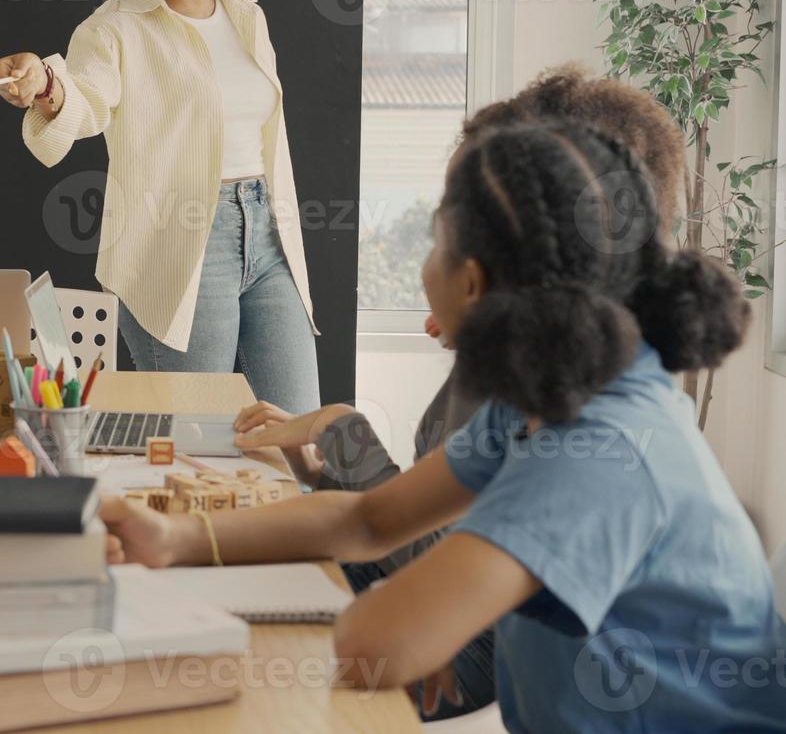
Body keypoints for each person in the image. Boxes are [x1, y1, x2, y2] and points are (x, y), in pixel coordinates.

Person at [101, 120, 786, 731]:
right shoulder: (548, 396)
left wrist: (418, 622)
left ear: (474, 283)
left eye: (433, 242)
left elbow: (374, 643)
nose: (424, 267)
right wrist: (176, 536)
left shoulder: (600, 450)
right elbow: (370, 519)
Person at [229, 64, 688, 716]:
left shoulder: (592, 437)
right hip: (495, 655)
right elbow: (375, 521)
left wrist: (340, 433)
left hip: (477, 651)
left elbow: (394, 605)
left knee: (278, 683)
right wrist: (187, 541)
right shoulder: (542, 382)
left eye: (449, 234)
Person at [0, 0, 320, 420]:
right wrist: (45, 85)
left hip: (268, 232)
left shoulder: (248, 17)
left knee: (298, 431)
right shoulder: (115, 27)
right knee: (196, 432)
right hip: (177, 243)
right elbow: (88, 99)